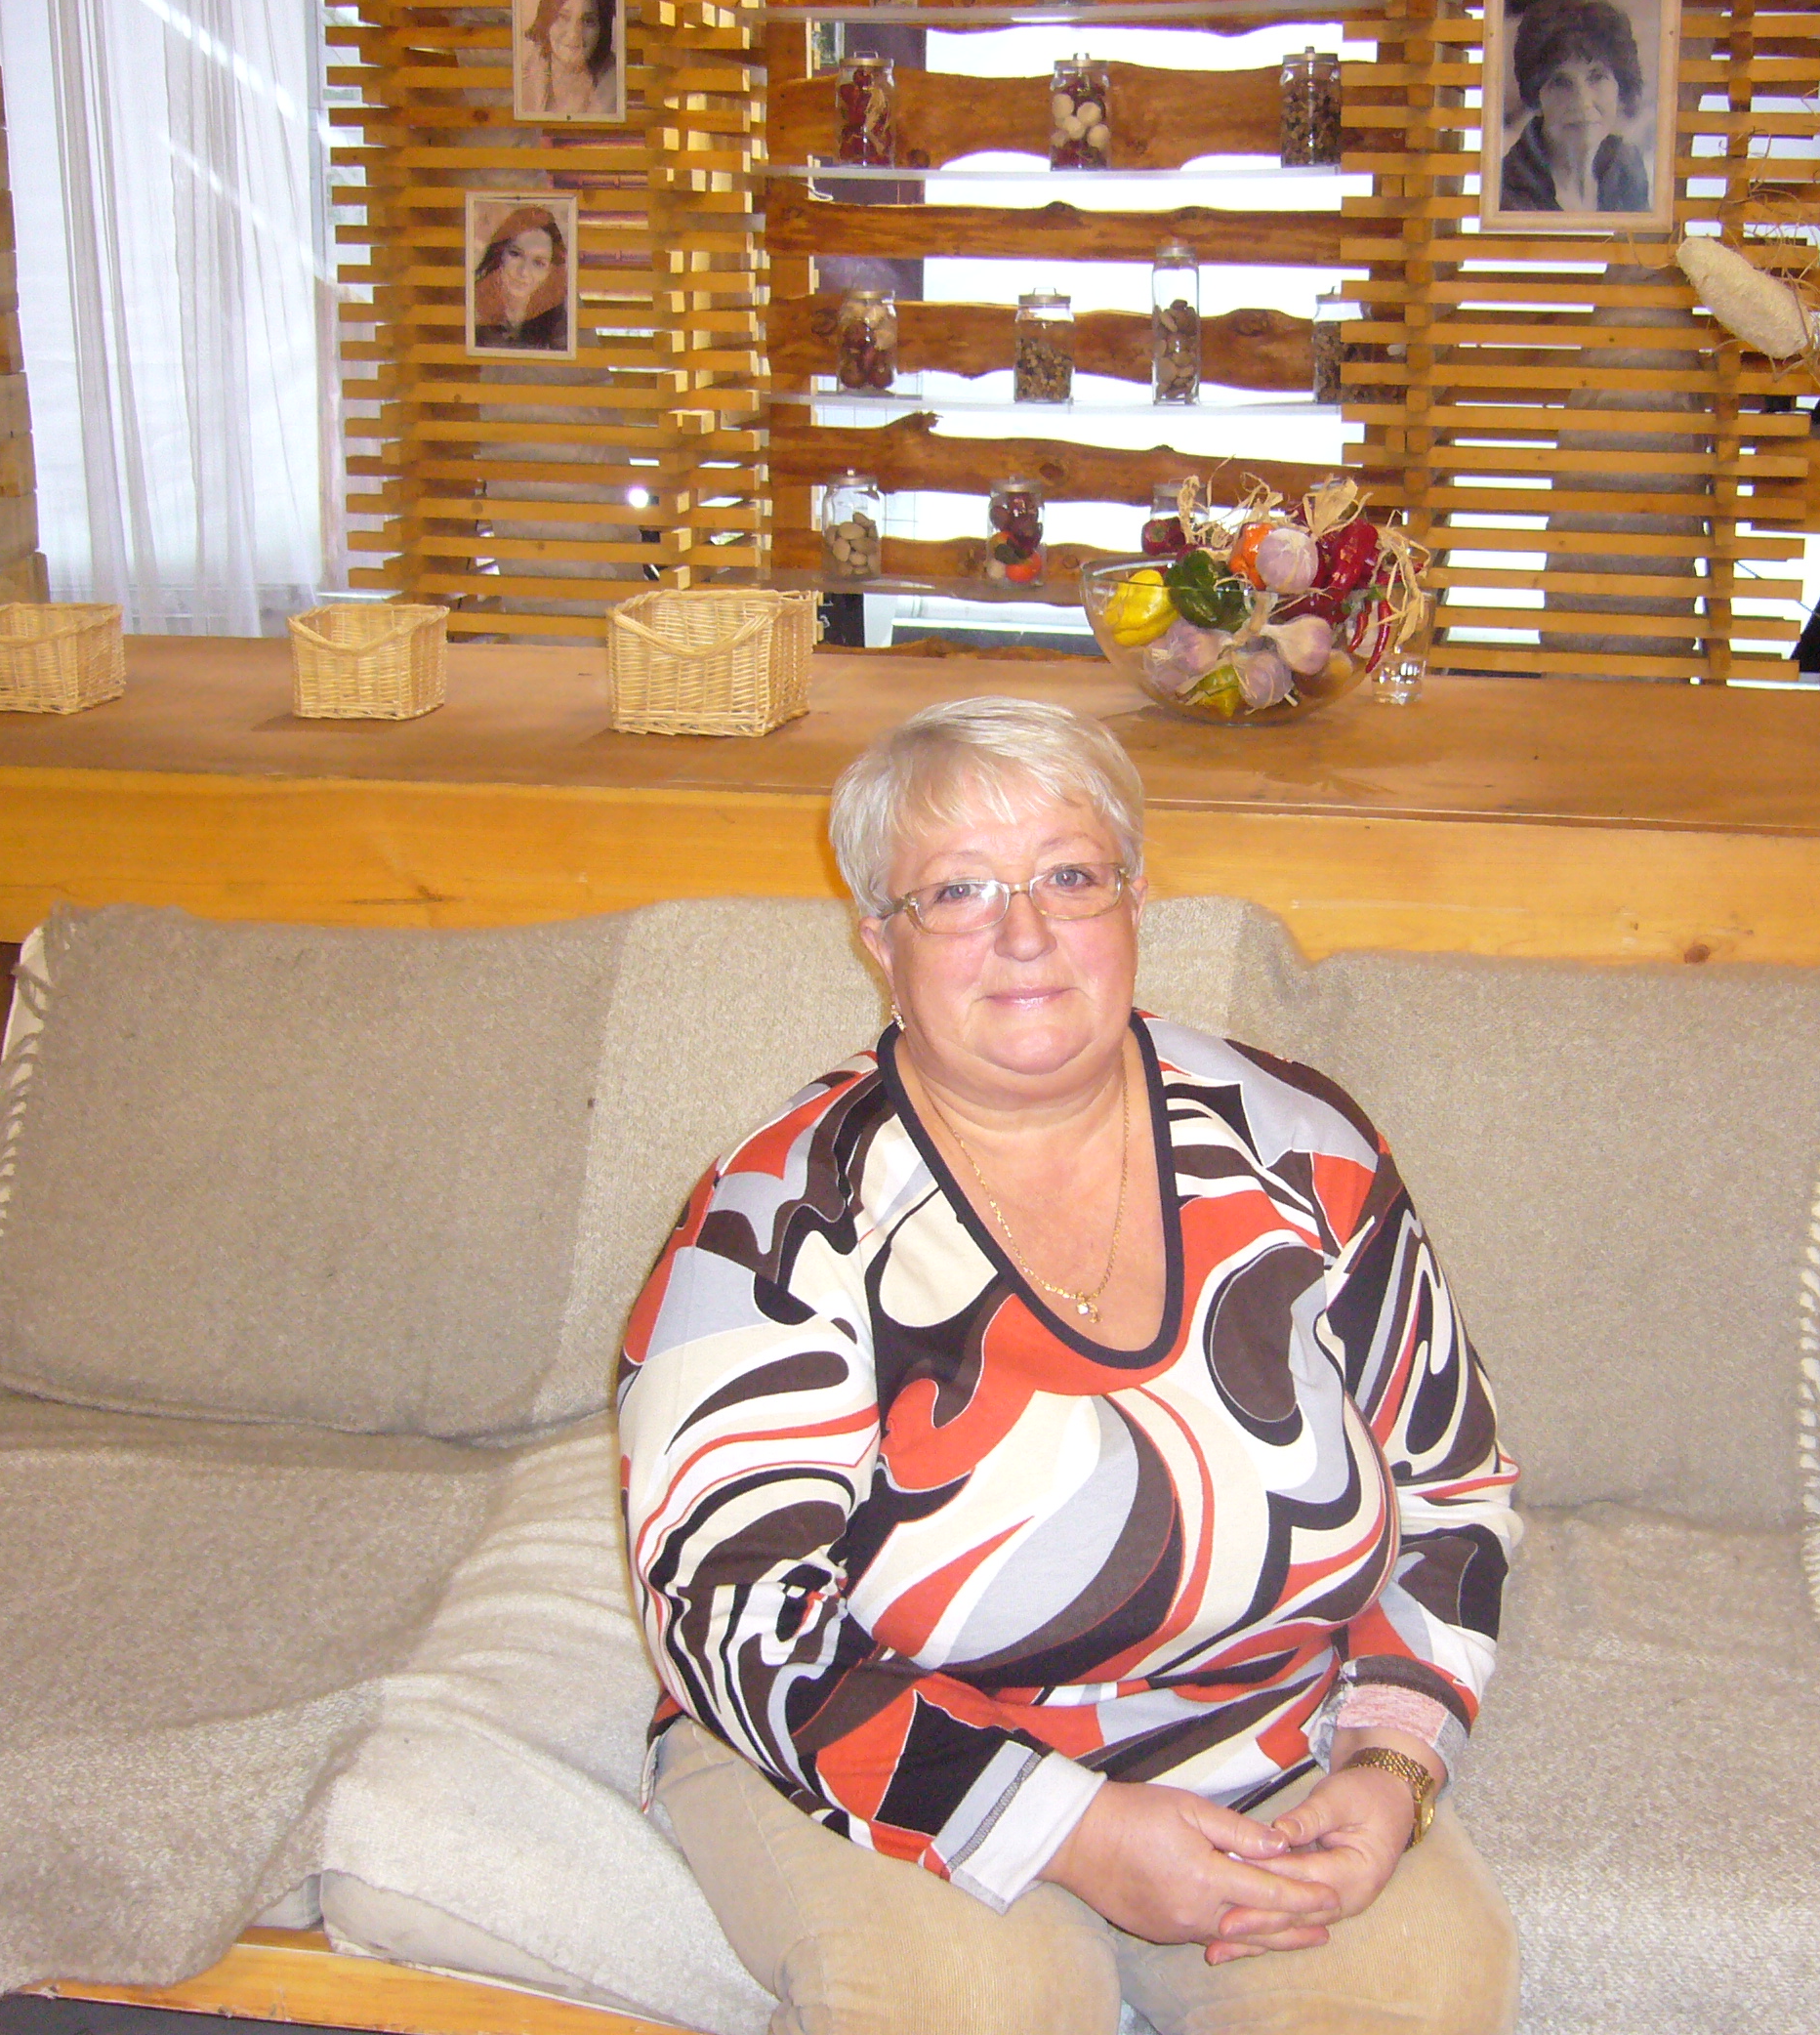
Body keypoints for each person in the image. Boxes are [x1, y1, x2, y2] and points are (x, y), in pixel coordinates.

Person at [618, 697, 1523, 2035]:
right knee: (981, 2007)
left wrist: (1392, 1762)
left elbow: (1453, 1487)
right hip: (874, 1750)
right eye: (956, 892)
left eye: (1069, 877)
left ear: (1136, 901)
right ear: (878, 940)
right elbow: (727, 1604)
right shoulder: (781, 1217)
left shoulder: (1298, 1143)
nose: (1024, 933)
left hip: (1256, 1735)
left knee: (1417, 1992)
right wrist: (1070, 1831)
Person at [1496, 0, 1652, 216]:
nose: (1582, 101)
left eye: (1597, 77)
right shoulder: (1508, 191)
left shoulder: (1627, 167)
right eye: (1561, 82)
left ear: (1620, 84)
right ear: (1536, 96)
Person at [517, 0, 621, 121]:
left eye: (588, 21)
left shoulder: (614, 84)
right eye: (563, 17)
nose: (574, 34)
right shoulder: (526, 69)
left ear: (602, 30)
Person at [469, 205, 568, 354]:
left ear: (550, 272)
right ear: (500, 253)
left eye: (538, 263)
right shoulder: (471, 306)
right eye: (515, 254)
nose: (524, 272)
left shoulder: (561, 319)